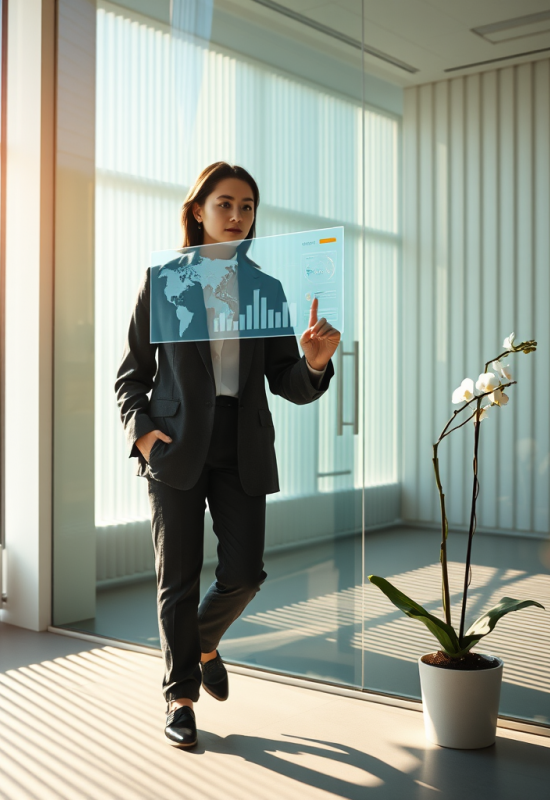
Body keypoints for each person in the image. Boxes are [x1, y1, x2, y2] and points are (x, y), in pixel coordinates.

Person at [115, 161, 340, 747]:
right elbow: (131, 375)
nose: (237, 216)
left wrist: (314, 361)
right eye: (225, 204)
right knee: (179, 579)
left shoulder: (266, 289)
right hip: (176, 445)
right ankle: (180, 698)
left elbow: (284, 380)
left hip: (242, 444)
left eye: (246, 206)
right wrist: (142, 433)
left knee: (244, 573)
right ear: (198, 210)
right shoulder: (162, 279)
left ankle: (202, 642)